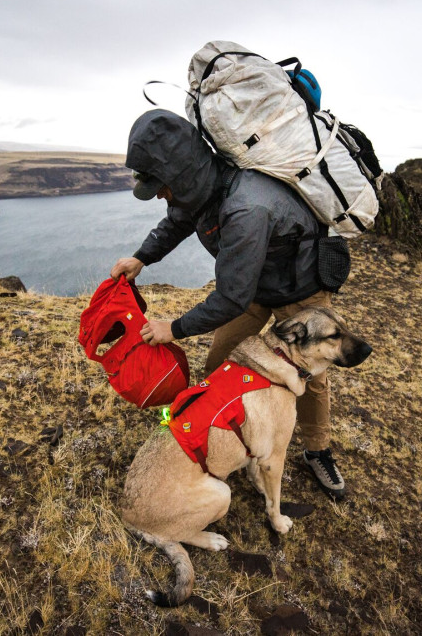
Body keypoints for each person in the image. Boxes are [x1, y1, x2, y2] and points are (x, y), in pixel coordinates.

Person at [110, 108, 348, 496]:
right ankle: (217, 432)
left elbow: (231, 298)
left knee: (311, 376)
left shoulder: (246, 206)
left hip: (299, 288)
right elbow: (176, 222)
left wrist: (173, 329)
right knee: (220, 359)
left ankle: (317, 451)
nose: (159, 195)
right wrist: (142, 257)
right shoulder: (200, 187)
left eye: (160, 186)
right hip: (255, 286)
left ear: (179, 175)